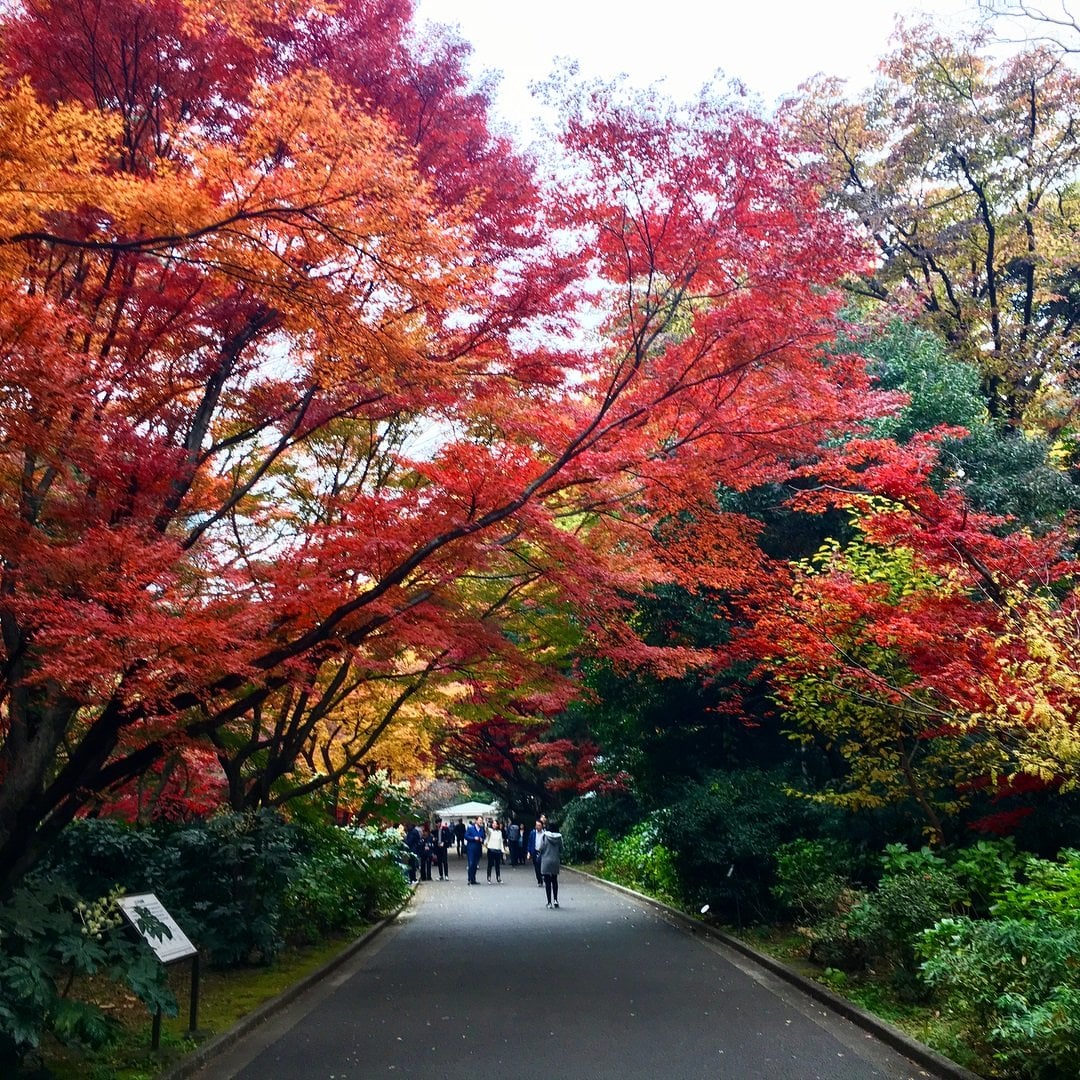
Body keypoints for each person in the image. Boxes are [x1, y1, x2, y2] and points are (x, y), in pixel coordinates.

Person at [540, 820, 563, 908]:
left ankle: (549, 902)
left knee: (547, 882)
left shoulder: (544, 836)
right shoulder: (559, 837)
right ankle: (556, 900)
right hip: (555, 860)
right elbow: (561, 849)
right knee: (554, 880)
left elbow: (541, 847)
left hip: (546, 860)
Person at [464, 815, 486, 884]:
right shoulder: (471, 828)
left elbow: (484, 837)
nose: (480, 822)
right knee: (471, 863)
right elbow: (466, 836)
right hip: (471, 849)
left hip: (478, 849)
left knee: (475, 864)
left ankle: (473, 879)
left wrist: (482, 840)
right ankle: (470, 879)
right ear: (476, 821)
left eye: (481, 821)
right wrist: (474, 838)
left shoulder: (482, 829)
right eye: (479, 820)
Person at [526, 819, 544, 887]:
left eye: (539, 825)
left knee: (541, 866)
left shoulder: (544, 833)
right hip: (535, 851)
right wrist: (528, 852)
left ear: (542, 826)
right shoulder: (532, 833)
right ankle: (539, 880)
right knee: (536, 867)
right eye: (536, 825)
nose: (537, 827)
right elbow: (529, 842)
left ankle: (542, 876)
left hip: (542, 852)